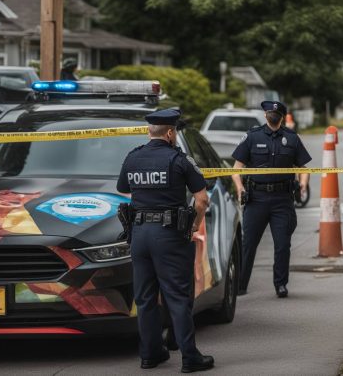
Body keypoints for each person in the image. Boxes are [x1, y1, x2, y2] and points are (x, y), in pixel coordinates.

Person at [117, 108, 214, 373]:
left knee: (145, 297)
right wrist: (194, 224)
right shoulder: (180, 160)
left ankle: (150, 354)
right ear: (170, 133)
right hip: (170, 235)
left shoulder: (133, 157)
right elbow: (202, 199)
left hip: (139, 234)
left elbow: (123, 189)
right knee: (178, 297)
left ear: (151, 131)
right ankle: (190, 357)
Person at [231, 101, 311, 298]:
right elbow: (235, 169)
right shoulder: (252, 136)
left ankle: (280, 284)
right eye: (268, 112)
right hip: (256, 199)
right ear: (265, 115)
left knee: (282, 245)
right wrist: (240, 188)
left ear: (282, 116)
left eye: (275, 112)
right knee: (248, 244)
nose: (271, 115)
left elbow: (304, 168)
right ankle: (240, 285)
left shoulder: (292, 138)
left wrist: (302, 184)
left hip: (282, 200)